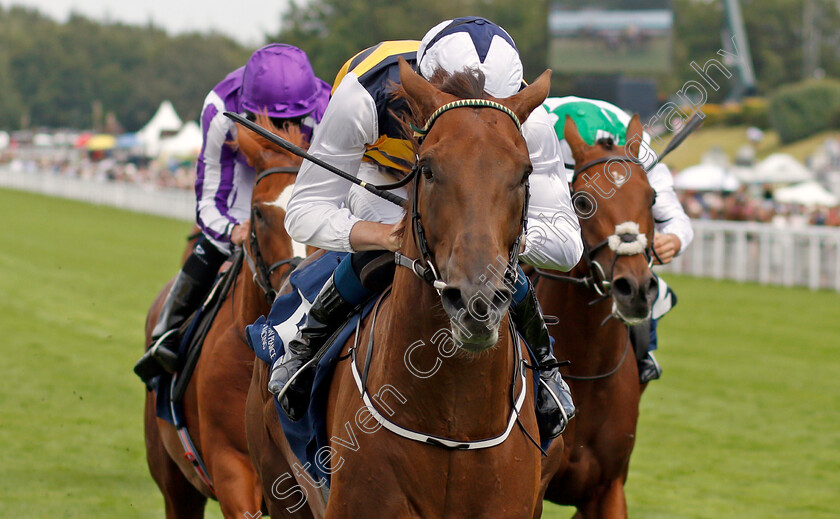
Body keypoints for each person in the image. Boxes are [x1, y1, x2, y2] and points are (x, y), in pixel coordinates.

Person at [270, 17, 584, 439]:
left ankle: (545, 365)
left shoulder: (530, 119)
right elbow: (305, 210)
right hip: (383, 174)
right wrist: (384, 236)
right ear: (425, 86)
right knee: (395, 247)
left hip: (477, 186)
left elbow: (567, 244)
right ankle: (307, 343)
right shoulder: (363, 97)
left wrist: (503, 239)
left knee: (491, 262)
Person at [134, 44, 331, 383]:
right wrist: (232, 231)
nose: (280, 133)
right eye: (271, 122)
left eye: (291, 122)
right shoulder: (220, 109)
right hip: (243, 172)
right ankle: (166, 333)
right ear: (246, 109)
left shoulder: (327, 107)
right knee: (221, 243)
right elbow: (209, 202)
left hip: (302, 173)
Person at [542, 96, 694, 383]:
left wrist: (673, 239)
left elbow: (676, 219)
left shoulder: (642, 151)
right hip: (547, 187)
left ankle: (642, 354)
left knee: (646, 284)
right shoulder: (538, 131)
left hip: (609, 251)